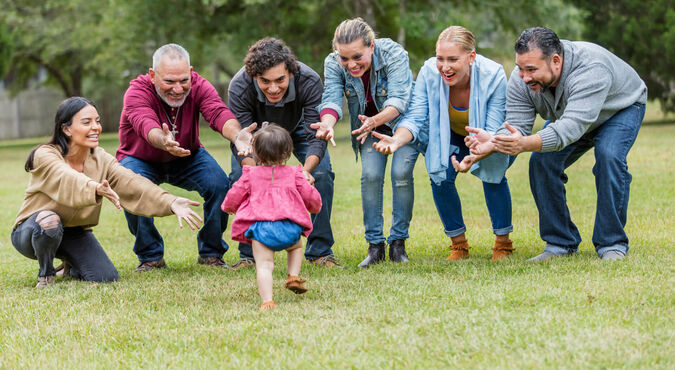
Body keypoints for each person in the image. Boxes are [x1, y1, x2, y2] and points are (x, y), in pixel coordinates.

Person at [466, 27, 647, 261]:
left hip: (620, 108)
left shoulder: (591, 69)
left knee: (609, 155)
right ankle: (560, 243)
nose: (525, 77)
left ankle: (612, 243)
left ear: (556, 60)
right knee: (542, 161)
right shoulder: (522, 79)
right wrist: (493, 141)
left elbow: (570, 127)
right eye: (520, 68)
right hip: (574, 114)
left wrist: (525, 143)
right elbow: (517, 125)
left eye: (531, 69)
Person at [11, 97, 203, 288]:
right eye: (87, 122)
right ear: (66, 128)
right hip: (34, 231)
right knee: (50, 221)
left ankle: (70, 265)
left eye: (98, 121)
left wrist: (170, 201)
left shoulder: (100, 158)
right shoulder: (45, 154)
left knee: (105, 276)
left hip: (72, 232)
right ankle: (46, 274)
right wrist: (94, 187)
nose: (95, 127)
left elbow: (131, 182)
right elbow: (66, 177)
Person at [372, 26, 515, 260]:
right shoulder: (429, 72)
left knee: (494, 173)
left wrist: (479, 151)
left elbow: (494, 126)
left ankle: (503, 243)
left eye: (452, 59)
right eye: (440, 58)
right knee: (440, 176)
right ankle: (459, 245)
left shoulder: (494, 74)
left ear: (471, 57)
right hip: (449, 134)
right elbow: (417, 116)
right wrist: (397, 139)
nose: (444, 67)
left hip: (489, 135)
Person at [117, 43, 254, 272]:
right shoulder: (137, 91)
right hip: (140, 158)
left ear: (191, 72)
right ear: (153, 75)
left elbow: (217, 112)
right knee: (130, 186)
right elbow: (144, 123)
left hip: (188, 157)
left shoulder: (200, 86)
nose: (178, 89)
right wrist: (164, 141)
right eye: (169, 82)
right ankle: (151, 256)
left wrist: (237, 135)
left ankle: (211, 253)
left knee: (219, 185)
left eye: (183, 80)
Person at [311, 18, 419, 267]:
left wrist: (374, 120)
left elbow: (400, 100)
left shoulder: (393, 53)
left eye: (357, 56)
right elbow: (331, 98)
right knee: (370, 177)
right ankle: (375, 247)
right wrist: (327, 122)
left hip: (402, 124)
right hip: (368, 126)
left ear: (371, 46)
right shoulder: (333, 62)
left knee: (401, 174)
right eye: (344, 58)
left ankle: (398, 244)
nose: (351, 64)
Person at [227, 37, 338, 269]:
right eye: (264, 81)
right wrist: (258, 175)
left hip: (297, 128)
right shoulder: (239, 86)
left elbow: (315, 135)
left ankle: (320, 251)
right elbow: (243, 140)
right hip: (255, 134)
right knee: (241, 178)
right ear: (254, 77)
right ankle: (249, 254)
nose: (273, 88)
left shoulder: (308, 80)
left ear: (290, 72)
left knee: (323, 174)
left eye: (280, 80)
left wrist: (306, 173)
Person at [222, 123, 322, 310]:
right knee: (295, 248)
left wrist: (228, 207)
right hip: (290, 228)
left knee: (264, 266)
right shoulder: (295, 173)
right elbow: (310, 197)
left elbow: (234, 194)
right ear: (288, 152)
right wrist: (315, 207)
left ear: (256, 153)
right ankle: (293, 275)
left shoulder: (250, 174)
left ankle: (267, 301)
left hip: (262, 231)